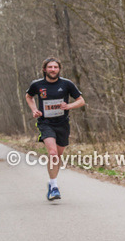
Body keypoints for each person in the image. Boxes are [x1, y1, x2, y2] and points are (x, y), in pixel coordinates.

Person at [25, 58, 85, 200]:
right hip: (45, 123)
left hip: (62, 123)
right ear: (44, 69)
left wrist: (68, 106)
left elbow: (81, 101)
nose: (53, 69)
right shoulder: (37, 85)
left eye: (55, 67)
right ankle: (54, 186)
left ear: (59, 69)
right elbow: (29, 96)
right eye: (50, 67)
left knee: (57, 156)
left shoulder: (66, 84)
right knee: (52, 153)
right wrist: (34, 110)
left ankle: (52, 183)